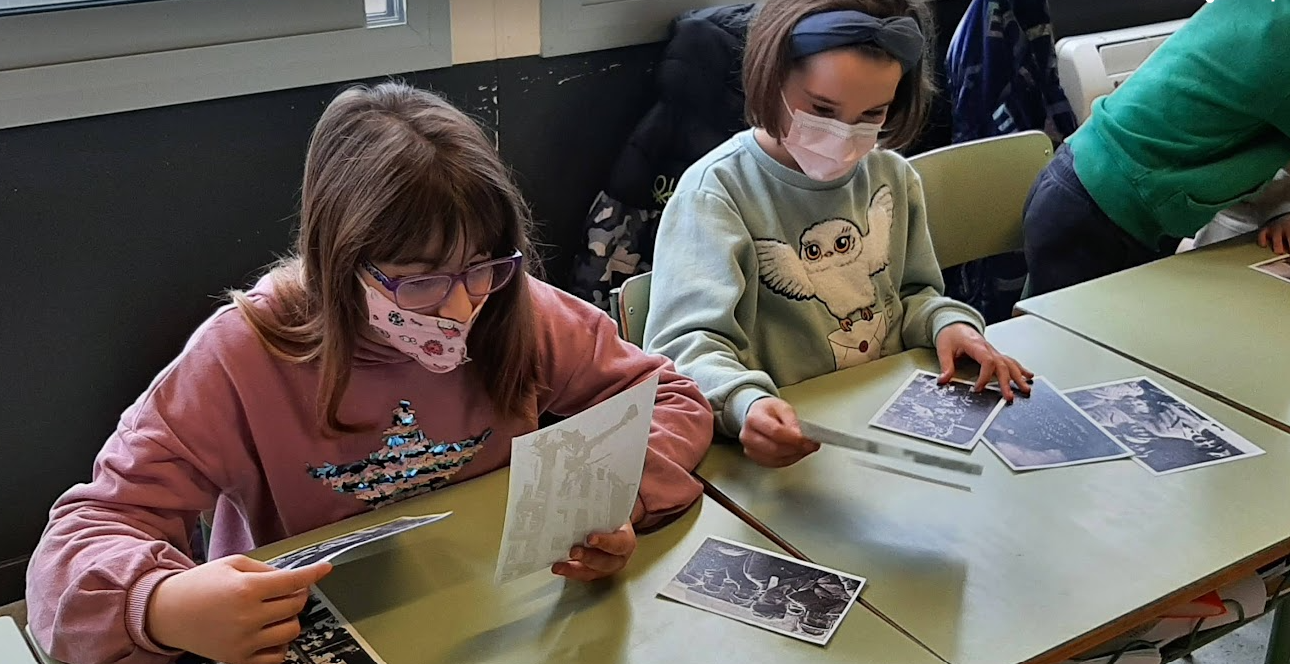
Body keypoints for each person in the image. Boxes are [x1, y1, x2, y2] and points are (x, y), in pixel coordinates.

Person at [26, 82, 714, 664]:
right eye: (420, 281)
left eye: (482, 267)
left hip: (499, 622)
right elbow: (77, 543)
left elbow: (672, 398)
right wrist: (159, 605)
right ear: (340, 260)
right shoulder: (243, 354)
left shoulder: (514, 306)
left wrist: (606, 502)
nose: (461, 308)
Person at [643, 0, 1032, 468]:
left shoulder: (892, 176)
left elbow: (912, 295)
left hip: (881, 427)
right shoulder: (716, 193)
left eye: (872, 114)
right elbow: (684, 348)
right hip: (780, 448)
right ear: (772, 77)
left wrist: (948, 325)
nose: (844, 136)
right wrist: (746, 403)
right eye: (822, 109)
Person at [1022, 0, 1290, 296]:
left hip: (1104, 189)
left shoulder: (1265, 11)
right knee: (1056, 325)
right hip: (1100, 206)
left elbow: (1249, 124)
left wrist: (1279, 209)